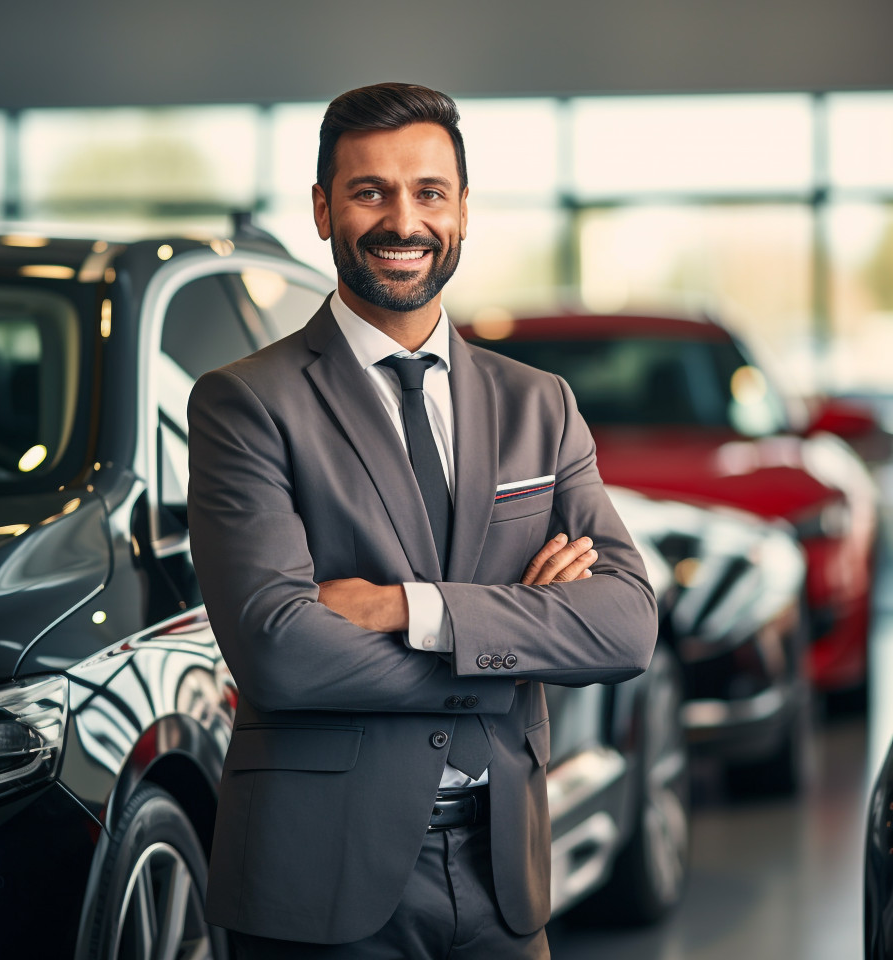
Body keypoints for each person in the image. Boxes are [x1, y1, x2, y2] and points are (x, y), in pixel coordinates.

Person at [187, 81, 658, 960]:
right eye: (370, 192)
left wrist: (410, 609)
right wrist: (517, 646)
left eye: (429, 192)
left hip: (502, 873)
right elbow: (280, 652)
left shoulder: (540, 405)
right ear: (323, 209)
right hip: (319, 878)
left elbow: (626, 625)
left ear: (464, 210)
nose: (403, 221)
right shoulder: (246, 403)